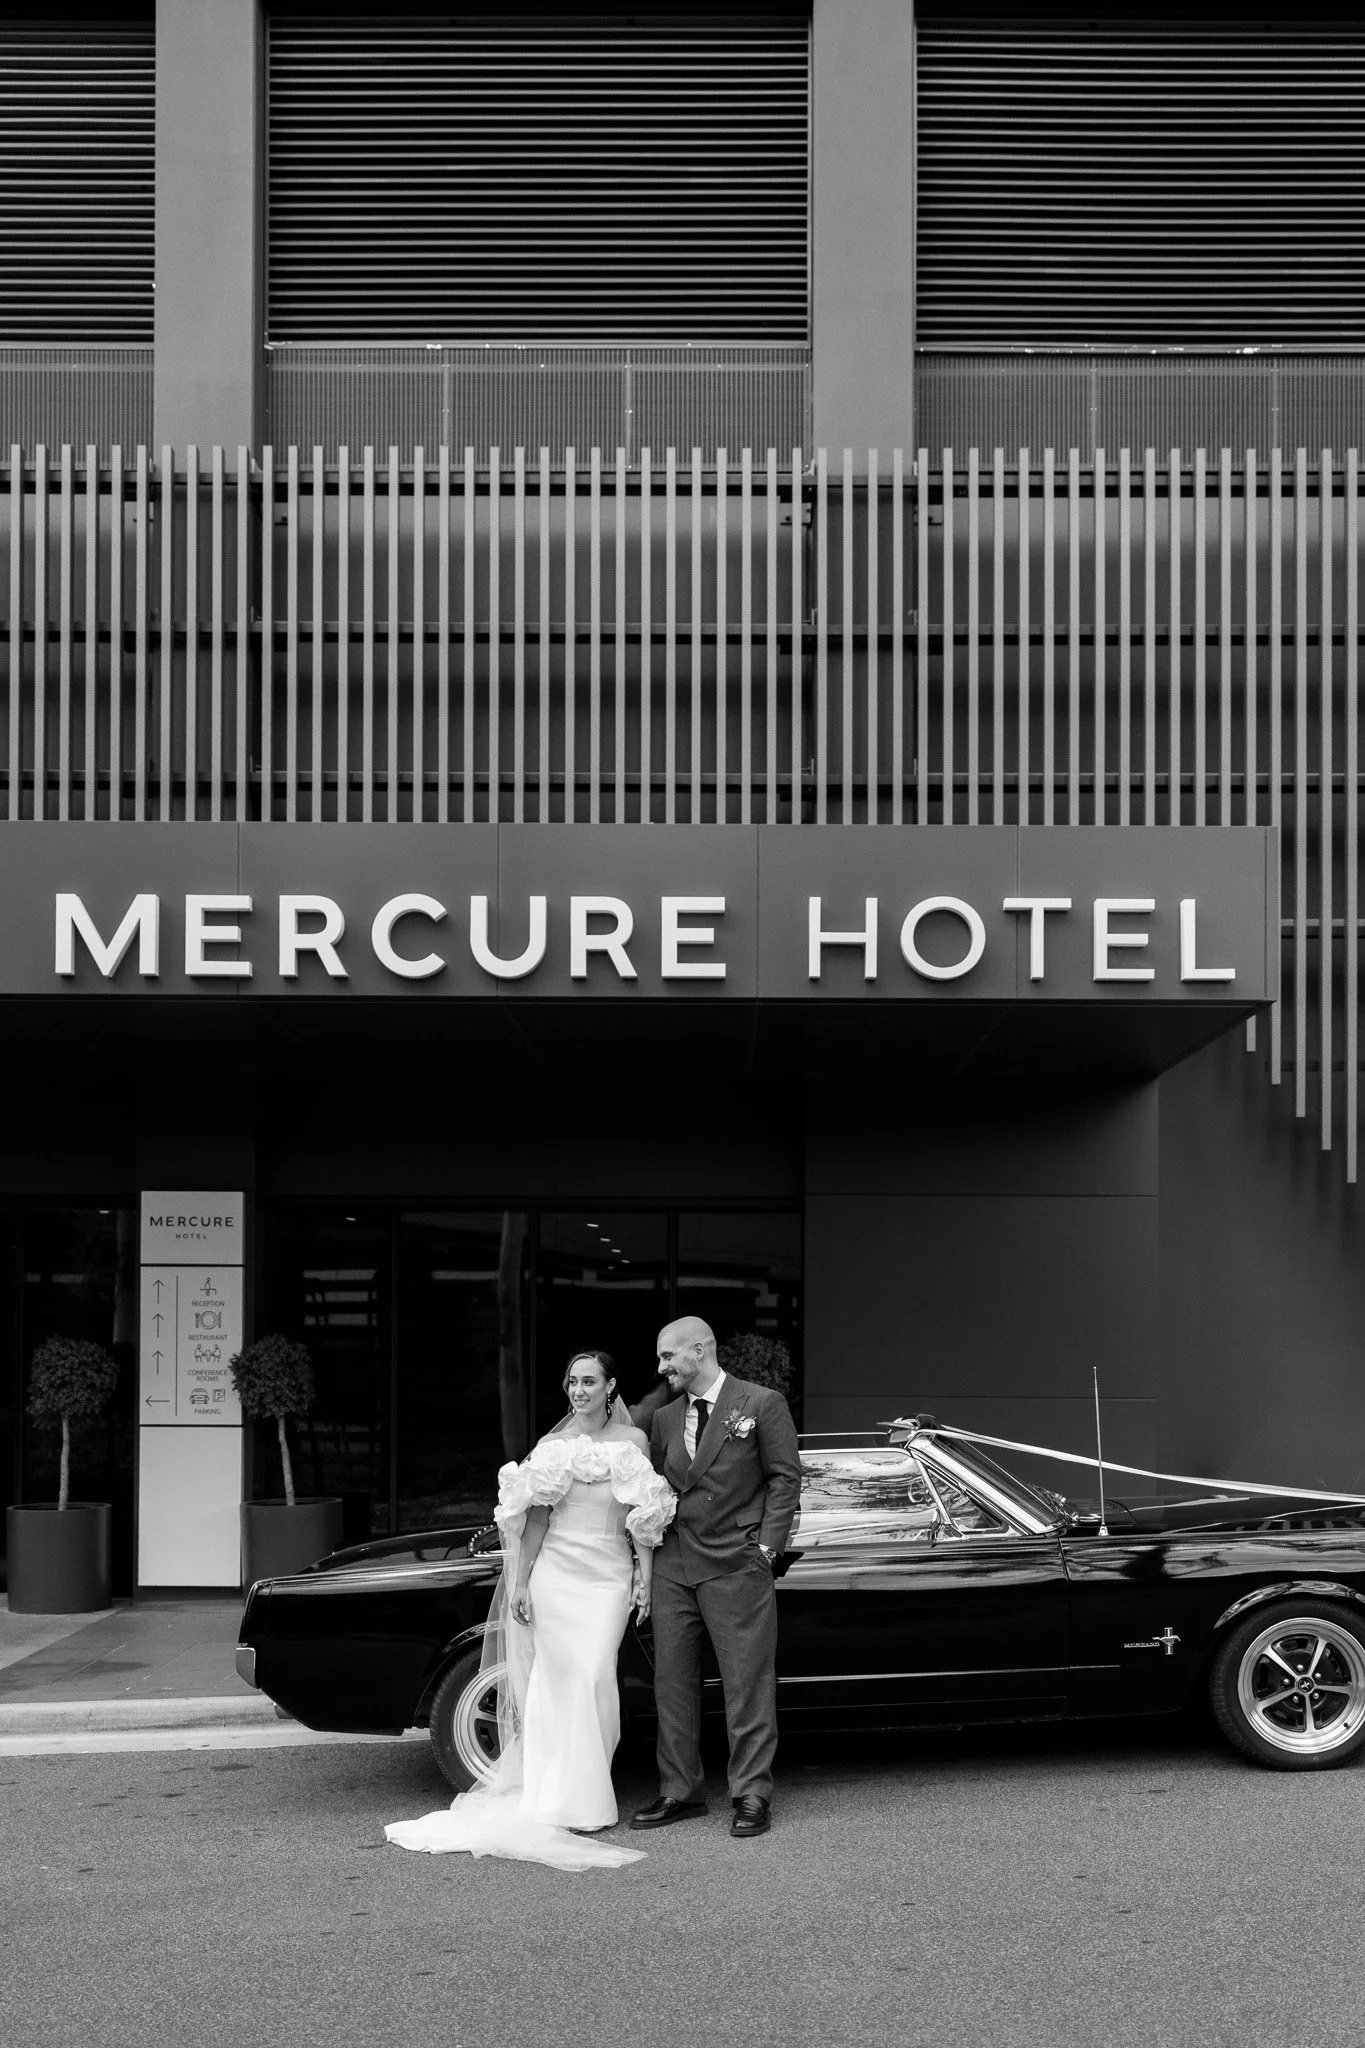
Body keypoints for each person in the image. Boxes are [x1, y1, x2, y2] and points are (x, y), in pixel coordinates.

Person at [386, 1348, 676, 1871]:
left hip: (607, 1577)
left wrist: (645, 1580)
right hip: (556, 1576)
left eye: (590, 1381)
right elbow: (536, 1521)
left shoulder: (633, 1443)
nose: (579, 1391)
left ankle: (586, 1794)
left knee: (593, 1676)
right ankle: (554, 1800)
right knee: (552, 1682)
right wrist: (520, 1582)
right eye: (572, 1382)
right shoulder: (551, 1446)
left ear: (611, 1388)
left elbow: (644, 1519)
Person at [632, 1315, 801, 1841]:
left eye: (668, 1357)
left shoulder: (761, 1403)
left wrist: (767, 1549)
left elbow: (785, 1478)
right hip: (675, 1566)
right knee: (672, 1684)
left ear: (700, 1350)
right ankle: (679, 1792)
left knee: (746, 1684)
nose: (662, 1368)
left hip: (736, 1564)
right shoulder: (663, 1419)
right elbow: (659, 1486)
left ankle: (751, 1792)